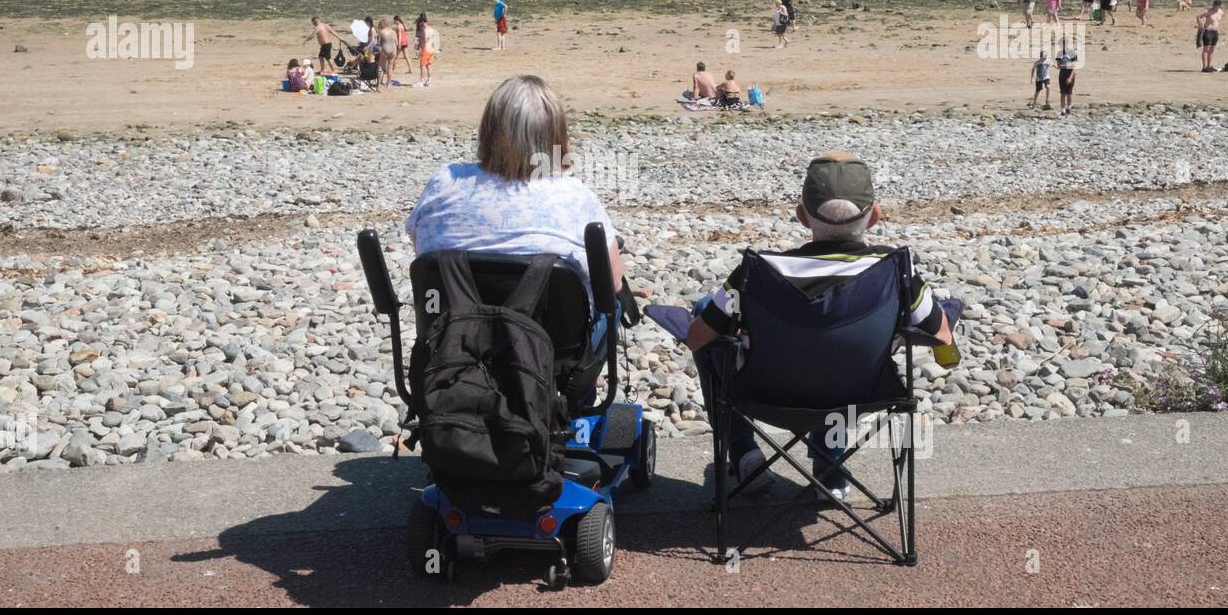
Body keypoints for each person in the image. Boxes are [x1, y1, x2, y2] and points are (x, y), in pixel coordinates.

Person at [684, 151, 955, 499]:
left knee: (709, 318)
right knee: (839, 357)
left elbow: (696, 339)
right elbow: (941, 335)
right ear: (874, 217)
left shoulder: (758, 273)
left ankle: (745, 453)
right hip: (859, 397)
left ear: (801, 215)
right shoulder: (894, 271)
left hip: (764, 397)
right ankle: (829, 469)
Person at [406, 76, 626, 397]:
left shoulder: (445, 182)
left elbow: (422, 249)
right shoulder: (574, 197)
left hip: (455, 347)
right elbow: (614, 283)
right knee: (616, 302)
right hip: (549, 358)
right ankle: (574, 394)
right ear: (555, 136)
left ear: (490, 129)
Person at [1198, 0, 1224, 73]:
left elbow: (1217, 21)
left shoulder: (1221, 12)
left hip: (1215, 32)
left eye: (1217, 6)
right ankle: (1204, 67)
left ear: (1219, 6)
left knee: (1212, 50)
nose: (1215, 7)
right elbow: (1199, 16)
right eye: (1214, 5)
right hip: (1207, 32)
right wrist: (1200, 25)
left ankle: (1209, 66)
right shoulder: (1209, 11)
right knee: (1206, 49)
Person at [1056, 37, 1079, 116]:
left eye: (1061, 44)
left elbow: (1074, 66)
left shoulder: (1072, 53)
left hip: (1070, 75)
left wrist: (1070, 77)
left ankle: (1068, 107)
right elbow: (1058, 65)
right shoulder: (1059, 53)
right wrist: (1068, 65)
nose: (1060, 46)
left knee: (1069, 94)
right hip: (1062, 75)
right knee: (1062, 93)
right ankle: (1062, 110)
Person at [377, 19, 398, 88]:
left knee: (381, 67)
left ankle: (379, 84)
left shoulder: (381, 32)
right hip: (393, 50)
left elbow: (378, 43)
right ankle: (388, 84)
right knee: (390, 67)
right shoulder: (393, 31)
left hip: (385, 49)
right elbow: (396, 43)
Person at [419, 20, 436, 87]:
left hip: (425, 49)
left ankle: (422, 81)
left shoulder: (425, 30)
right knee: (429, 66)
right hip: (431, 49)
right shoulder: (432, 30)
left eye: (422, 24)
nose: (422, 26)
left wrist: (420, 47)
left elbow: (424, 40)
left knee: (423, 66)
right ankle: (429, 80)